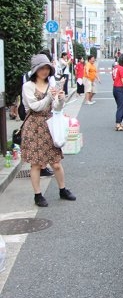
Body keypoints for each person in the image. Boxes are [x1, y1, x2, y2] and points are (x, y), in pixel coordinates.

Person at [21, 54, 76, 207]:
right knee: (36, 164)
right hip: (34, 127)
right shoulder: (28, 86)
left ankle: (63, 189)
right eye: (41, 68)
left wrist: (61, 98)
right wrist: (49, 98)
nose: (45, 71)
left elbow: (57, 107)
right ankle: (38, 195)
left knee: (56, 162)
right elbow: (34, 107)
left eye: (47, 68)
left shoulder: (51, 84)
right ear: (35, 70)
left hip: (50, 125)